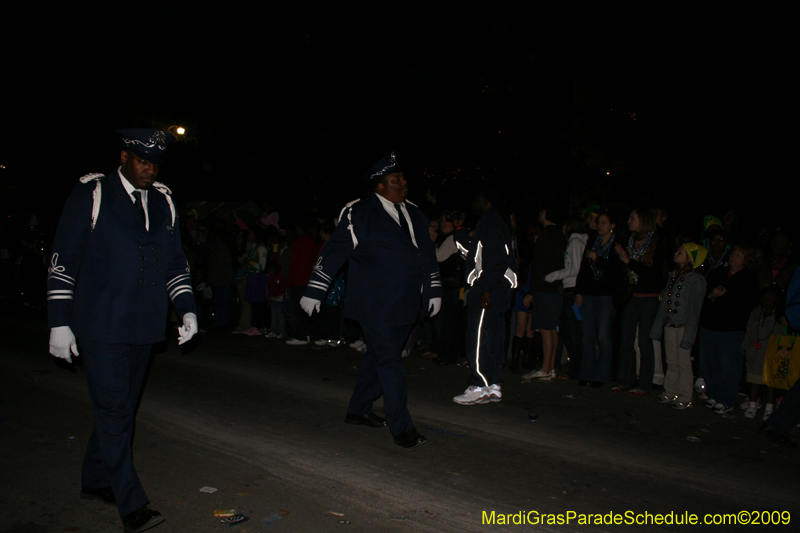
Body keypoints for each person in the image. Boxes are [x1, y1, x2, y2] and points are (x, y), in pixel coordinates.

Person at [47, 129, 197, 533]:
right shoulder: (92, 195)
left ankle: (97, 478)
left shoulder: (164, 200)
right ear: (125, 157)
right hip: (100, 325)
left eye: (156, 163)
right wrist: (59, 322)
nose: (150, 168)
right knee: (115, 411)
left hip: (145, 325)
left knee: (122, 409)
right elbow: (64, 259)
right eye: (143, 161)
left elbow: (175, 263)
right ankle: (132, 504)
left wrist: (186, 309)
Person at [300, 152, 441, 448]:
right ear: (380, 186)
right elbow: (334, 251)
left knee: (377, 358)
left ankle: (358, 409)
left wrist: (433, 289)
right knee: (390, 361)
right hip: (374, 303)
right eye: (396, 179)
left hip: (405, 302)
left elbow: (426, 254)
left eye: (402, 178)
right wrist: (316, 289)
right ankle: (402, 428)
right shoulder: (359, 213)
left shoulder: (415, 213)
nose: (403, 183)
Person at [453, 191, 518, 404]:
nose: (473, 203)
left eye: (477, 199)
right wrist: (460, 230)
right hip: (496, 287)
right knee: (492, 336)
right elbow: (474, 256)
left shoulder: (490, 223)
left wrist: (486, 288)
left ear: (487, 201)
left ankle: (479, 384)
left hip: (489, 288)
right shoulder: (493, 223)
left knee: (478, 337)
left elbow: (495, 261)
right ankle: (493, 384)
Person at [649, 243, 708, 410]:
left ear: (690, 258)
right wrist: (657, 328)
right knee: (671, 361)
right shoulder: (673, 275)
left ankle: (684, 395)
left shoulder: (696, 280)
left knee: (683, 362)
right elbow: (664, 305)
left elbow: (694, 311)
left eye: (680, 252)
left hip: (683, 327)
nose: (676, 253)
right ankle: (670, 391)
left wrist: (689, 336)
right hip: (670, 325)